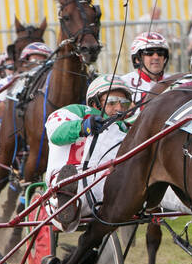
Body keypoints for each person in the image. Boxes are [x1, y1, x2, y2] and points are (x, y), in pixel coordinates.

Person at [43, 75, 133, 230]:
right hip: (67, 179)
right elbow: (56, 134)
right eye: (112, 102)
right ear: (94, 103)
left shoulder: (124, 128)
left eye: (124, 103)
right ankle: (66, 201)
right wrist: (83, 126)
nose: (119, 108)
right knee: (76, 182)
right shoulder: (75, 111)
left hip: (105, 185)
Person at [121, 31, 172, 106]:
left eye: (160, 52)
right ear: (137, 59)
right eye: (149, 52)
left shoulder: (176, 82)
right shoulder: (123, 83)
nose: (156, 57)